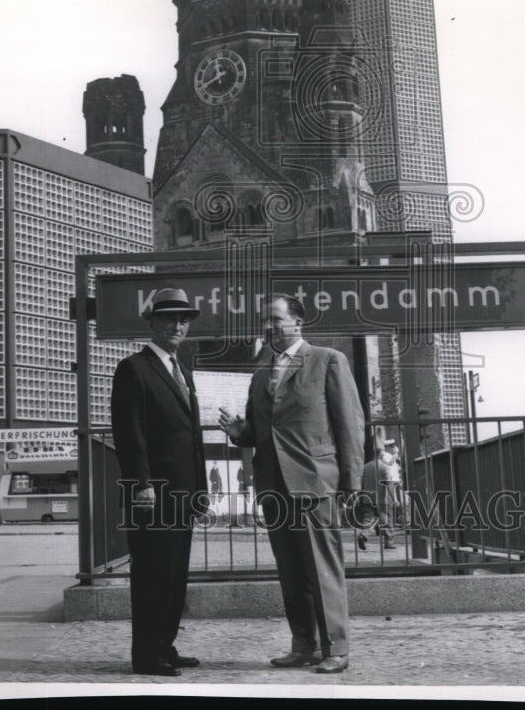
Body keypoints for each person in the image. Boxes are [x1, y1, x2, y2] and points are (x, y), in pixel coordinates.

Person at [219, 294, 365, 675]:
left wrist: (351, 485)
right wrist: (241, 434)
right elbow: (260, 431)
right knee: (290, 570)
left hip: (316, 484)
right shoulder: (260, 370)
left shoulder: (328, 360)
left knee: (322, 568)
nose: (269, 326)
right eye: (264, 319)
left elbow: (350, 426)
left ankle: (337, 647)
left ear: (298, 321)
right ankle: (304, 645)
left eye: (276, 318)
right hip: (274, 485)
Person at [111, 287, 207, 677]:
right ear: (151, 323)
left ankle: (164, 644)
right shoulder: (134, 368)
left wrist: (200, 489)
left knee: (174, 574)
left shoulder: (181, 369)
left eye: (184, 319)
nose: (178, 325)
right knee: (152, 574)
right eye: (169, 318)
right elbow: (131, 434)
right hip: (153, 493)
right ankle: (148, 655)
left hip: (182, 492)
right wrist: (142, 485)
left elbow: (192, 437)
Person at [357, 448, 396, 551]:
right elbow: (387, 483)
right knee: (385, 519)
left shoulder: (365, 467)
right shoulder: (384, 467)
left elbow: (360, 483)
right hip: (382, 498)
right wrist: (393, 498)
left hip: (367, 498)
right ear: (380, 454)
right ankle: (389, 541)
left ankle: (364, 535)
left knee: (368, 519)